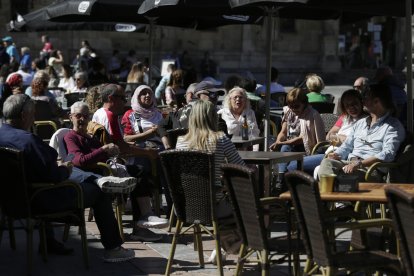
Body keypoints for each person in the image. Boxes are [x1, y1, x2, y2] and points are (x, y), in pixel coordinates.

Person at [0, 94, 135, 262]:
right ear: (23, 116)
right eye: (33, 114)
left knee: (67, 173)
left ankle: (48, 241)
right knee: (99, 192)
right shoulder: (28, 141)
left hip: (9, 202)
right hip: (39, 200)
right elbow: (54, 176)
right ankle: (113, 248)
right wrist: (65, 169)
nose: (34, 119)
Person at [65, 101, 168, 241]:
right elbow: (80, 160)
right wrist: (103, 149)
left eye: (85, 116)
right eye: (78, 116)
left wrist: (113, 152)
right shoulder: (71, 136)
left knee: (140, 170)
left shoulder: (90, 137)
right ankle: (142, 223)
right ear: (71, 117)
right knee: (136, 174)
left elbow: (102, 154)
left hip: (106, 169)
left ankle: (145, 216)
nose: (82, 119)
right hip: (94, 175)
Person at [176, 100, 245, 259]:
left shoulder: (181, 142)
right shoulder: (220, 139)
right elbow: (240, 168)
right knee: (245, 206)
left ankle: (224, 248)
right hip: (215, 204)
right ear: (212, 117)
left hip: (188, 205)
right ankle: (226, 247)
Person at [318, 84, 406, 181]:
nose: (362, 101)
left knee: (341, 179)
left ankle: (328, 193)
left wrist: (359, 164)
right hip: (350, 164)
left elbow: (387, 154)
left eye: (366, 98)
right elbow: (347, 146)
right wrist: (337, 154)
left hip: (370, 170)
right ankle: (326, 193)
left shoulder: (393, 126)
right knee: (327, 163)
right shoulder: (361, 123)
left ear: (376, 101)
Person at [269, 88, 325, 190]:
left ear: (304, 103)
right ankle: (281, 181)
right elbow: (283, 132)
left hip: (307, 147)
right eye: (291, 106)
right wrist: (278, 141)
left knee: (285, 147)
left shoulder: (312, 114)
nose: (293, 109)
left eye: (297, 106)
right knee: (284, 147)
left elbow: (303, 138)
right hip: (290, 146)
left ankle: (280, 182)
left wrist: (282, 143)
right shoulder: (288, 112)